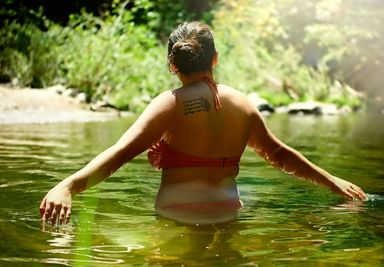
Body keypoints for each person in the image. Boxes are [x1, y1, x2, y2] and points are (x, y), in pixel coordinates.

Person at [40, 21, 367, 225]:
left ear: (172, 64)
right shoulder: (242, 104)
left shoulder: (170, 104)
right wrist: (332, 181)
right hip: (227, 213)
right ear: (215, 59)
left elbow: (119, 155)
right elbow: (279, 155)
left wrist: (66, 186)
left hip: (176, 216)